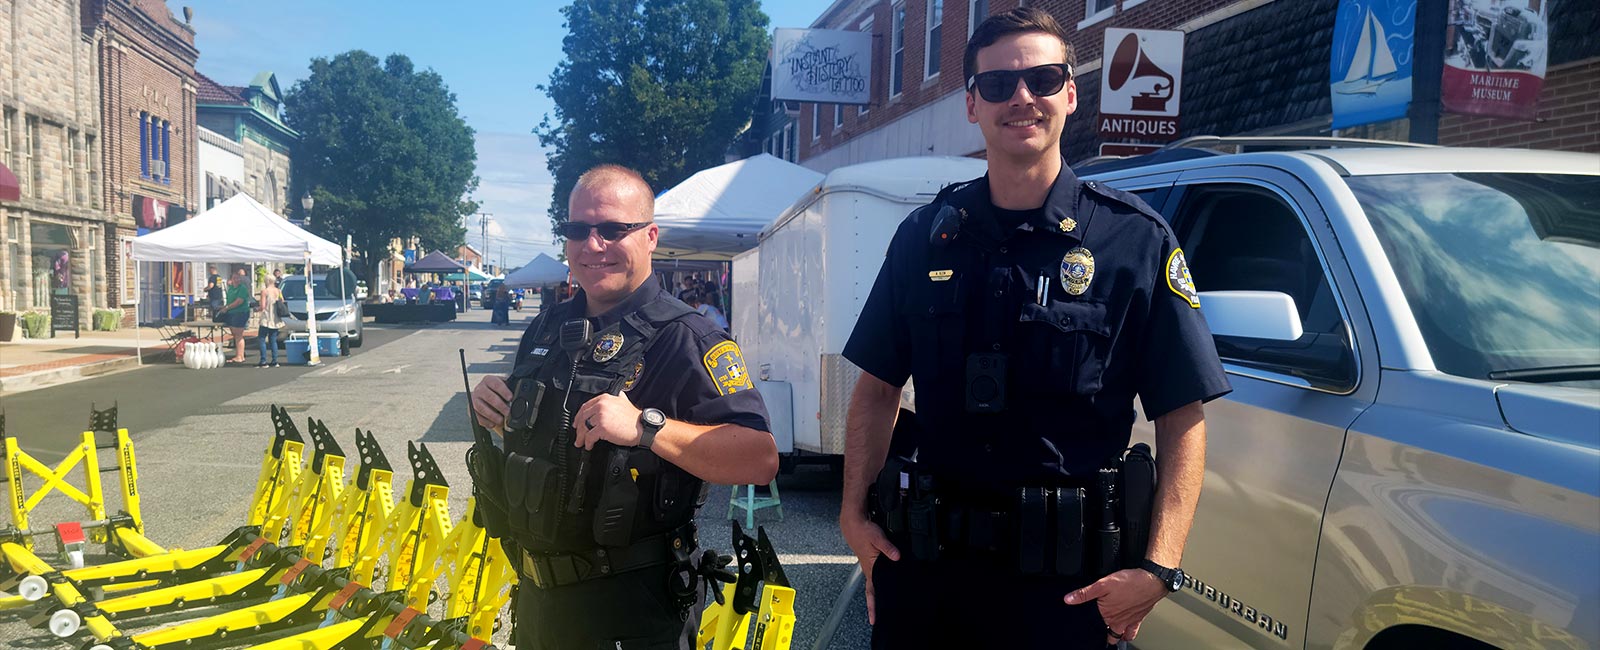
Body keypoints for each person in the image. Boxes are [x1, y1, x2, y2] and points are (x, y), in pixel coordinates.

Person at [837, 9, 1231, 649]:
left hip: (1066, 591)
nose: (1021, 98)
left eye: (1043, 79)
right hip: (928, 576)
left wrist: (1161, 567)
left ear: (1071, 95)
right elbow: (877, 389)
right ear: (972, 105)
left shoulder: (1134, 240)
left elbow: (1181, 415)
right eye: (997, 85)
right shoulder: (924, 238)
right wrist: (854, 518)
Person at [470, 164, 778, 650]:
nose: (592, 245)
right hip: (540, 603)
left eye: (613, 230)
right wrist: (492, 402)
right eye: (577, 230)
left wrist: (645, 426)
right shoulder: (547, 328)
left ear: (651, 236)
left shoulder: (687, 338)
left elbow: (759, 457)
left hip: (631, 611)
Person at [216, 270, 253, 363]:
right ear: (231, 279)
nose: (236, 280)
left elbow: (239, 301)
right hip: (231, 313)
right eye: (234, 278)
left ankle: (240, 356)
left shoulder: (242, 288)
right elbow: (229, 301)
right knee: (235, 334)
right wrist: (224, 307)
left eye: (238, 278)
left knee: (238, 334)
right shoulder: (231, 288)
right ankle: (239, 354)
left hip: (241, 312)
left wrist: (227, 307)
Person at [256, 277, 284, 367]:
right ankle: (275, 360)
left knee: (262, 338)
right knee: (273, 340)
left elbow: (263, 306)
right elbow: (282, 301)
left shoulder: (265, 291)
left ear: (266, 281)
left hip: (266, 317)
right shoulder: (278, 291)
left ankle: (263, 360)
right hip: (275, 317)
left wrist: (257, 309)